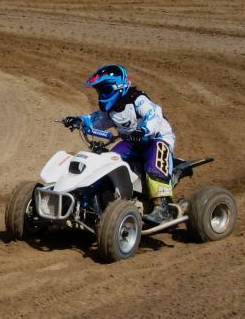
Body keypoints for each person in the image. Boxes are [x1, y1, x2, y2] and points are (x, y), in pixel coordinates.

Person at [62, 64, 176, 224]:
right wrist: (79, 120)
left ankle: (163, 207)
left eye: (104, 90)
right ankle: (100, 200)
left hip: (156, 139)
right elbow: (96, 120)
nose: (101, 94)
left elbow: (155, 116)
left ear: (119, 87)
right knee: (109, 160)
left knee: (154, 156)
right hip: (132, 143)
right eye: (99, 90)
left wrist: (143, 130)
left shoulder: (138, 100)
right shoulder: (112, 109)